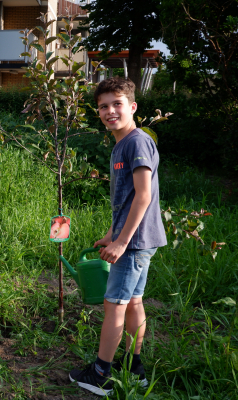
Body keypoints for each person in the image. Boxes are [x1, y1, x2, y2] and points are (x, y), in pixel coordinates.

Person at [69, 77, 167, 395]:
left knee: (115, 306)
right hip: (139, 238)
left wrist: (122, 241)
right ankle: (134, 367)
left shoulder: (136, 142)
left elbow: (143, 196)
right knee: (134, 301)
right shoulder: (121, 143)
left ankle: (100, 375)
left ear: (132, 107)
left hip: (135, 242)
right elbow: (126, 199)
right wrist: (112, 233)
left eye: (117, 104)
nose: (110, 111)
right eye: (103, 106)